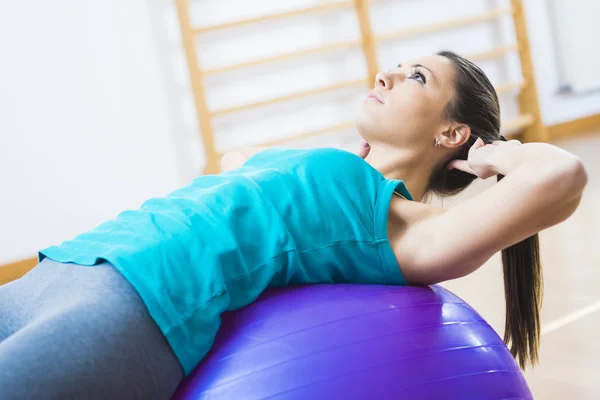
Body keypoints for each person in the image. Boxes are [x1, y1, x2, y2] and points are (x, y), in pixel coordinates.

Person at [0, 51, 588, 399]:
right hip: (63, 266)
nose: (385, 76)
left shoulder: (403, 226)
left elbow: (558, 177)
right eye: (396, 68)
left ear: (451, 134)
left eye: (417, 79)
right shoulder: (330, 173)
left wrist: (494, 154)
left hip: (135, 306)